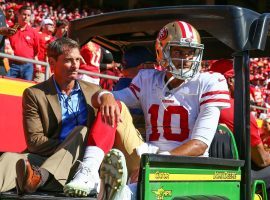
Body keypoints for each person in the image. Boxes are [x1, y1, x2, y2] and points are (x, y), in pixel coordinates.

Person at [69, 20, 231, 199]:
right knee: (113, 105)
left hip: (186, 166)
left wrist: (154, 163)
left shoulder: (210, 82)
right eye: (178, 51)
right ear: (162, 51)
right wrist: (106, 96)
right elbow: (98, 99)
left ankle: (120, 192)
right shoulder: (148, 79)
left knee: (133, 191)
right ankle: (89, 172)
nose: (186, 59)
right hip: (148, 156)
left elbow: (200, 145)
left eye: (190, 52)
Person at [0, 37, 120, 196]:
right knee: (10, 159)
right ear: (52, 62)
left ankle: (39, 178)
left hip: (84, 165)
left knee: (81, 131)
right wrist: (67, 148)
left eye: (78, 59)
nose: (76, 65)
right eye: (69, 60)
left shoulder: (93, 90)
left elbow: (109, 108)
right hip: (47, 158)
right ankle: (38, 179)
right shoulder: (35, 94)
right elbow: (35, 142)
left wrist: (107, 95)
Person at [210, 59, 270, 195]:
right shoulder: (237, 109)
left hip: (213, 172)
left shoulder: (202, 105)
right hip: (237, 176)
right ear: (230, 81)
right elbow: (262, 161)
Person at [6, 5, 40, 81]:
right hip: (12, 65)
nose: (26, 17)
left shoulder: (34, 32)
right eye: (24, 14)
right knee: (7, 86)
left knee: (25, 89)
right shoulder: (10, 29)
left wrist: (37, 65)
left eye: (28, 15)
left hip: (28, 66)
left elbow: (35, 51)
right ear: (18, 15)